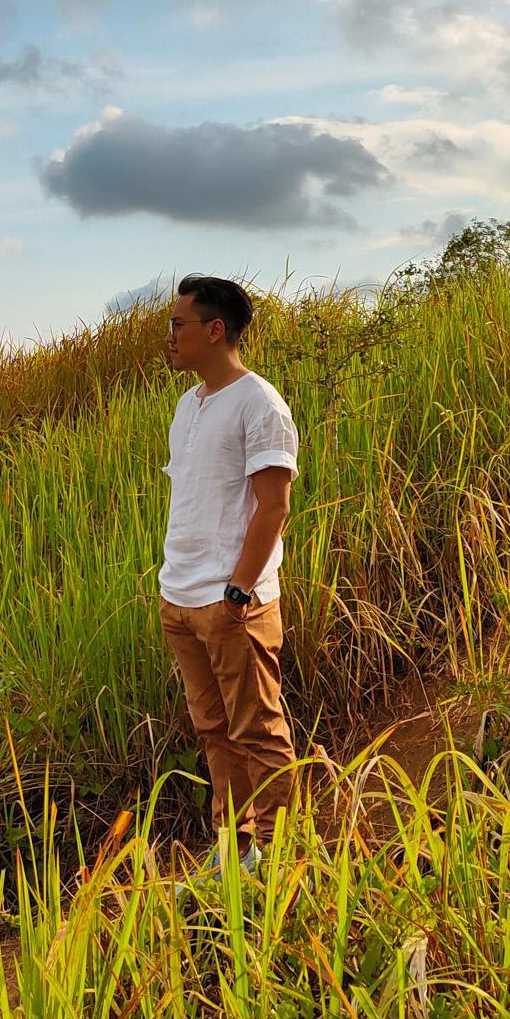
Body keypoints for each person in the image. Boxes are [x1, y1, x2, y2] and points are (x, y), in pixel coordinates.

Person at [157, 273, 301, 880]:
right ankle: (235, 848)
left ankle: (282, 856)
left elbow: (274, 507)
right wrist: (174, 588)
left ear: (215, 331)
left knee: (257, 730)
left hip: (232, 601)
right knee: (214, 731)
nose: (168, 337)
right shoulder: (189, 404)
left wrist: (238, 591)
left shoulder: (259, 404)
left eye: (178, 325)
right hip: (181, 596)